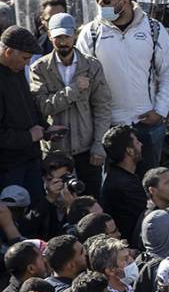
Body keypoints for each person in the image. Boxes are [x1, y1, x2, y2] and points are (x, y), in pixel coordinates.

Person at [75, 0, 169, 175]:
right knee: (111, 191)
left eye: (105, 0)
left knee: (151, 187)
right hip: (107, 127)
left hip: (147, 125)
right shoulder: (91, 32)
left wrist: (160, 110)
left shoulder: (154, 29)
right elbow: (82, 76)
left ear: (124, 2)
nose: (99, 4)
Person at [29, 14, 110, 198]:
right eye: (58, 37)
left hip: (87, 150)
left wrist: (99, 144)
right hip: (55, 152)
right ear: (50, 36)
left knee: (91, 200)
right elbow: (42, 107)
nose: (62, 42)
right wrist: (73, 90)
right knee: (58, 203)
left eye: (66, 36)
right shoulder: (39, 68)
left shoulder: (92, 66)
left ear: (74, 35)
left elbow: (102, 107)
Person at [0, 26, 47, 199]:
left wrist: (45, 128)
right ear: (8, 52)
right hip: (9, 168)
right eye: (25, 58)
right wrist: (28, 136)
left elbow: (27, 106)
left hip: (30, 158)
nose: (27, 63)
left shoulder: (16, 69)